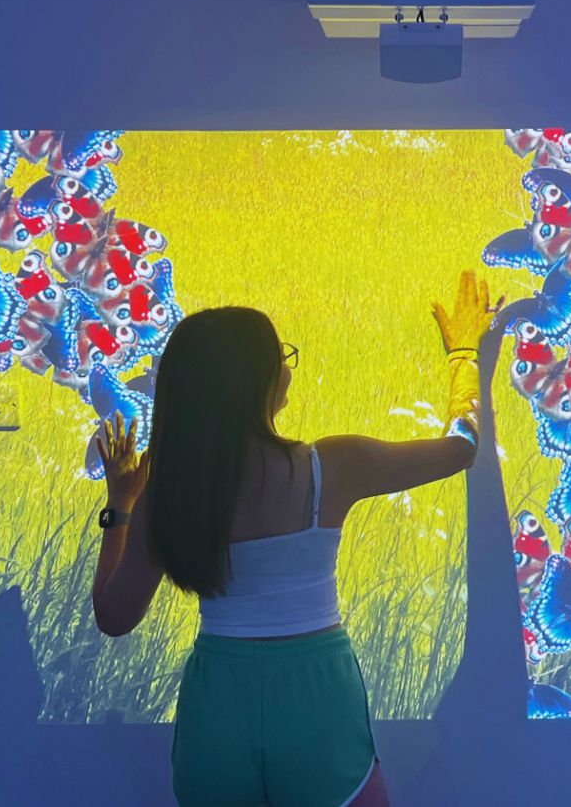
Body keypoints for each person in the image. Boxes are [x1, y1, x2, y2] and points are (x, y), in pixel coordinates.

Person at [90, 270, 498, 806]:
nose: (287, 366)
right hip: (317, 697)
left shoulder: (167, 491)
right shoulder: (333, 466)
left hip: (217, 707)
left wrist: (122, 503)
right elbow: (461, 446)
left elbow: (114, 616)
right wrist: (464, 355)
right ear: (256, 383)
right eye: (280, 355)